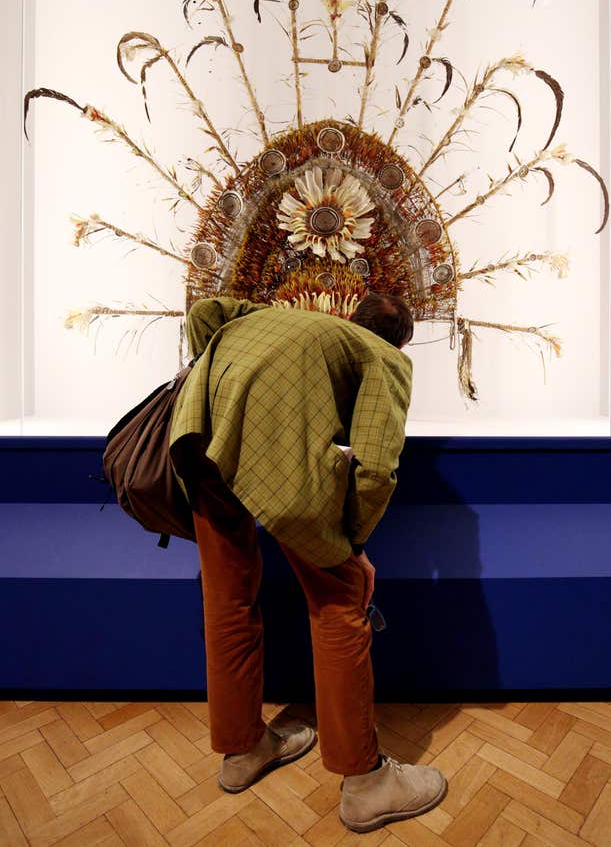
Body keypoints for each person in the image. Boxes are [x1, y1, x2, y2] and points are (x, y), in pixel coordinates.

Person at [169, 292, 448, 833]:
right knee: (341, 602)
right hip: (275, 465)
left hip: (196, 440)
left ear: (351, 316)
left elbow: (204, 311)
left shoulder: (286, 319)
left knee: (227, 600)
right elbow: (374, 467)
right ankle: (366, 782)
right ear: (402, 339)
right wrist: (355, 548)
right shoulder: (385, 357)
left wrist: (226, 398)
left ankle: (244, 750)